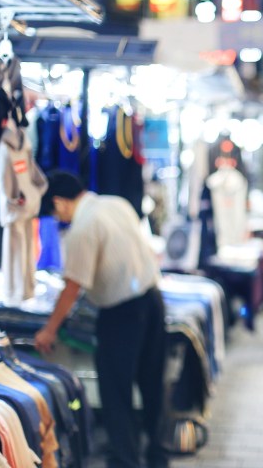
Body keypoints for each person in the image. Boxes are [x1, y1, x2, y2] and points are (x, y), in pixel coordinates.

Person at [34, 170, 168, 468]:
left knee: (116, 392)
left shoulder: (83, 227)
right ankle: (158, 456)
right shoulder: (115, 203)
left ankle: (124, 461)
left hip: (121, 314)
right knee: (151, 385)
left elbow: (72, 286)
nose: (57, 220)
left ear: (59, 202)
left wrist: (49, 330)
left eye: (54, 213)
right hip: (153, 300)